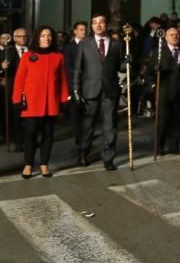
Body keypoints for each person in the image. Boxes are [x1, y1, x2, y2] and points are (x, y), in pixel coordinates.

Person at [11, 26, 69, 178]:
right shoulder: (28, 56)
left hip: (51, 103)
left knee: (48, 135)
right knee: (30, 134)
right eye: (43, 35)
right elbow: (19, 80)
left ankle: (44, 164)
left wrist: (64, 99)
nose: (46, 38)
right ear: (37, 37)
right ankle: (28, 165)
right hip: (31, 103)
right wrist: (17, 99)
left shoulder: (58, 56)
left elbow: (63, 80)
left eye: (49, 35)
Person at [72, 14, 126, 170]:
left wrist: (127, 61)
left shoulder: (117, 44)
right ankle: (83, 153)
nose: (98, 25)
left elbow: (120, 67)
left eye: (101, 22)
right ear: (92, 26)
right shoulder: (84, 44)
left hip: (110, 91)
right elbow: (77, 69)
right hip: (90, 90)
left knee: (110, 127)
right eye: (94, 23)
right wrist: (76, 90)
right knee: (88, 126)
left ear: (106, 24)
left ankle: (108, 158)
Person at [151, 26, 180, 155]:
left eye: (177, 35)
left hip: (179, 90)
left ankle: (174, 146)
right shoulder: (159, 51)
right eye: (172, 35)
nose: (175, 37)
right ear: (166, 37)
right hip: (164, 91)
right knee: (163, 120)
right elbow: (150, 71)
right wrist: (156, 68)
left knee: (176, 120)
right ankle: (159, 147)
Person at [1, 28, 29, 152]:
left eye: (24, 36)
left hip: (30, 87)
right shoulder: (7, 52)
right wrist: (2, 68)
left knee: (30, 116)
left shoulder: (32, 51)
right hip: (14, 87)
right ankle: (19, 142)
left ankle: (30, 139)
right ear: (14, 38)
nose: (22, 39)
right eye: (19, 36)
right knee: (16, 116)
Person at [62, 21, 87, 156]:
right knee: (76, 113)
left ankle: (85, 135)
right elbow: (68, 67)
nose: (84, 32)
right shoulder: (69, 47)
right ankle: (78, 137)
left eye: (85, 29)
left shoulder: (89, 45)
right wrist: (73, 86)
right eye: (81, 29)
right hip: (74, 84)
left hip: (87, 84)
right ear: (75, 31)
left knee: (86, 113)